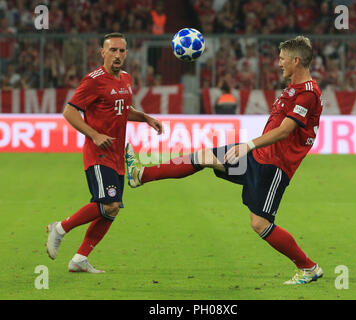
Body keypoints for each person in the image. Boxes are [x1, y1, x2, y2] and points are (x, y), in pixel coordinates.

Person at [126, 36, 324, 284]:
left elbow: (285, 130)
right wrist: (250, 148)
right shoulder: (292, 89)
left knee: (260, 223)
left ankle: (308, 267)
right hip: (257, 156)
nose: (278, 63)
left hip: (273, 167)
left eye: (282, 58)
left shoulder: (308, 94)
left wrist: (248, 145)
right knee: (202, 156)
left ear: (296, 60)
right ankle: (140, 175)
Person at [45, 33, 163, 273]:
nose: (117, 55)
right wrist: (94, 135)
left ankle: (79, 259)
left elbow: (122, 109)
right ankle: (60, 228)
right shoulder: (93, 80)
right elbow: (69, 112)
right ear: (102, 52)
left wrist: (145, 118)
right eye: (113, 50)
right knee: (109, 204)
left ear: (127, 53)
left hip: (117, 154)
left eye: (121, 51)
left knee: (112, 209)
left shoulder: (127, 79)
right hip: (98, 153)